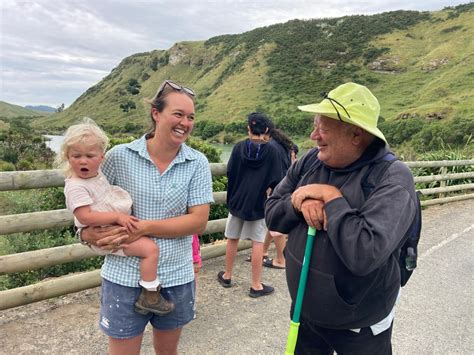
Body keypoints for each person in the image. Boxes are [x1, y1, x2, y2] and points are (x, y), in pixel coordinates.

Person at [265, 82, 418, 354]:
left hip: (361, 326)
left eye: (322, 129)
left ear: (356, 135)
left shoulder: (393, 178)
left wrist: (332, 198)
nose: (313, 136)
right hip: (304, 311)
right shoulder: (311, 161)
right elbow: (273, 215)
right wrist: (299, 203)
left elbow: (365, 253)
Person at [79, 80, 214, 354]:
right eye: (178, 114)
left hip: (177, 274)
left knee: (167, 351)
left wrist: (144, 228)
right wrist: (85, 234)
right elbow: (87, 206)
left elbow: (198, 221)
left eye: (190, 117)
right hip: (123, 276)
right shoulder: (118, 157)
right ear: (156, 113)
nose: (185, 123)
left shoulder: (197, 162)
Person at [58, 118, 174, 316]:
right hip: (106, 234)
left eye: (90, 155)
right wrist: (118, 217)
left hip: (110, 229)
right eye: (76, 156)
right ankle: (150, 295)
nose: (83, 161)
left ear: (102, 158)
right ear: (68, 158)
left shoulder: (97, 175)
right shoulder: (76, 185)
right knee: (150, 249)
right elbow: (84, 216)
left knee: (149, 243)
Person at [217, 112, 284, 298]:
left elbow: (230, 171)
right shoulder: (272, 151)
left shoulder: (238, 147)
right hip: (258, 204)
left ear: (249, 128)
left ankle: (227, 275)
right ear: (267, 130)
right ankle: (256, 285)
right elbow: (277, 180)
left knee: (232, 238)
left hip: (236, 201)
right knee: (257, 242)